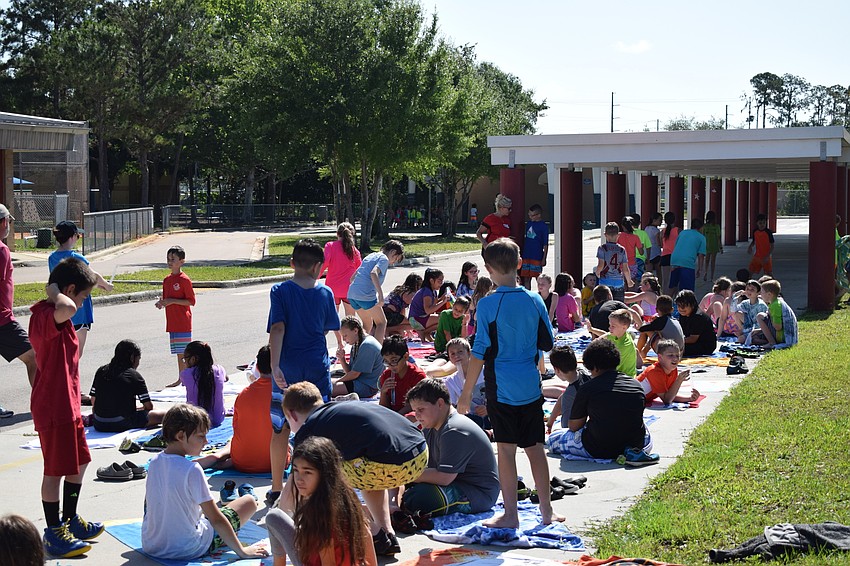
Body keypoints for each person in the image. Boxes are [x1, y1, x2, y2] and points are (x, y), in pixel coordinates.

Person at [457, 237, 563, 528]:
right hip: (530, 384)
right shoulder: (535, 299)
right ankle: (546, 511)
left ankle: (511, 515)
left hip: (500, 387)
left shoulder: (488, 304)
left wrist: (466, 395)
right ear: (519, 264)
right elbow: (548, 340)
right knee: (535, 449)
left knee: (505, 450)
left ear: (488, 269)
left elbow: (479, 352)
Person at [281, 382, 429, 556]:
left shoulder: (308, 430)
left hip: (386, 464)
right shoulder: (339, 407)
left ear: (291, 414)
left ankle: (375, 533)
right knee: (367, 468)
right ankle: (387, 533)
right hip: (419, 456)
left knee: (321, 480)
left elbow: (295, 487)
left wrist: (281, 521)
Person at [28, 257, 101, 557]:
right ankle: (53, 530)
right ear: (68, 290)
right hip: (53, 407)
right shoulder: (47, 314)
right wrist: (52, 289)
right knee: (55, 471)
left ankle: (70, 519)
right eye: (82, 295)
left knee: (80, 462)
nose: (81, 303)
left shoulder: (61, 314)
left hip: (69, 404)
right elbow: (68, 307)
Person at [266, 238, 340, 507]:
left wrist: (275, 366)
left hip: (287, 368)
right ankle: (318, 488)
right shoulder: (325, 293)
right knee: (318, 428)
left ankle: (277, 488)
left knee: (280, 428)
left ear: (292, 263)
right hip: (317, 368)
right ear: (318, 267)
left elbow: (278, 329)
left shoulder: (280, 291)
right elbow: (326, 328)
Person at [142, 404, 267, 561]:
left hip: (151, 545)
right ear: (180, 436)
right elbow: (215, 519)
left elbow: (149, 505)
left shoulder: (154, 462)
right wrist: (242, 551)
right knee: (249, 502)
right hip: (188, 548)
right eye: (201, 436)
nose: (206, 441)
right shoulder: (192, 469)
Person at [266, 436, 377, 566]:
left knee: (274, 517)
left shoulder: (322, 514)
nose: (299, 479)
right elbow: (368, 540)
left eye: (307, 472)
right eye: (296, 470)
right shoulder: (345, 498)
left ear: (324, 474)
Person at [546, 339, 655, 465]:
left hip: (599, 447)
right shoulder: (636, 385)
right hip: (636, 443)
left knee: (554, 439)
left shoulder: (588, 388)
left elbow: (574, 426)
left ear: (595, 367)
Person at [402, 378, 499, 516]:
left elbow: (444, 477)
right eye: (414, 411)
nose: (417, 415)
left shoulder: (454, 429)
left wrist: (406, 474)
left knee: (419, 498)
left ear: (440, 403)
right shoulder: (431, 426)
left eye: (421, 409)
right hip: (454, 482)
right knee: (399, 483)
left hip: (476, 492)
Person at [48, 220, 114, 360]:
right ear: (72, 237)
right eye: (78, 236)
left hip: (61, 308)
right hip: (79, 312)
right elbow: (93, 276)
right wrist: (107, 285)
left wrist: (96, 285)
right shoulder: (77, 258)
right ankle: (71, 379)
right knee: (76, 353)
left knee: (63, 351)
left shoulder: (52, 258)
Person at [0, 204, 37, 418]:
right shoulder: (2, 250)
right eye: (9, 222)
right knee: (34, 357)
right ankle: (43, 402)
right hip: (3, 320)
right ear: (4, 222)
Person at [90, 339, 165, 432]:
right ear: (132, 357)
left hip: (99, 423)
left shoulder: (101, 371)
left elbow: (93, 400)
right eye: (138, 358)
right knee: (164, 415)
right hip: (121, 423)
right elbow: (149, 406)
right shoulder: (134, 375)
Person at [347, 240, 405, 343]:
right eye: (395, 258)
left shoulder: (371, 256)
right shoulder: (384, 259)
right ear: (392, 252)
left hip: (352, 294)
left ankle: (359, 347)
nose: (394, 262)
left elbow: (352, 278)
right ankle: (378, 352)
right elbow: (373, 273)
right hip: (365, 295)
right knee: (382, 322)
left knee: (367, 323)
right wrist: (381, 296)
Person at [228, 344, 274, 474]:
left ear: (257, 367)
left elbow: (236, 427)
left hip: (240, 461)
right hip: (274, 462)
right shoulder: (283, 394)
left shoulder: (243, 394)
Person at [155, 246, 196, 388]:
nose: (170, 262)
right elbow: (166, 298)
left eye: (173, 259)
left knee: (185, 354)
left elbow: (191, 301)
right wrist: (162, 303)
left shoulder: (184, 280)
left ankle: (187, 379)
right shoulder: (167, 280)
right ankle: (182, 379)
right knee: (179, 354)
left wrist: (172, 301)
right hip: (172, 322)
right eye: (168, 259)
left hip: (182, 321)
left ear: (182, 261)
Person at [320, 222, 362, 346]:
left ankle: (340, 342)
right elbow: (360, 269)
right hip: (349, 289)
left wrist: (315, 276)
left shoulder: (330, 245)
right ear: (352, 235)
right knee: (351, 318)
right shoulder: (354, 251)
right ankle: (353, 342)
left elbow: (324, 262)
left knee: (333, 317)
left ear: (337, 234)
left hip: (332, 288)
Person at [545, 343, 592, 435]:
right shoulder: (583, 373)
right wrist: (550, 423)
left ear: (557, 370)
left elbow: (567, 428)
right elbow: (562, 398)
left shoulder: (570, 394)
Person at [332, 315, 384, 398]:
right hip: (358, 381)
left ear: (355, 330)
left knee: (328, 387)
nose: (344, 339)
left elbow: (354, 374)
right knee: (327, 379)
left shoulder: (367, 345)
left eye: (345, 336)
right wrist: (342, 359)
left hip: (367, 387)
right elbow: (350, 372)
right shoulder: (357, 343)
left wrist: (337, 382)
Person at [180, 341, 227, 428]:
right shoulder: (220, 370)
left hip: (195, 420)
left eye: (185, 359)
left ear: (193, 359)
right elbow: (225, 378)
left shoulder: (186, 374)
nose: (184, 362)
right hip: (218, 418)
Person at [637, 339, 700, 405]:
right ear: (660, 357)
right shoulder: (654, 371)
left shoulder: (673, 369)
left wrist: (690, 398)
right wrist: (678, 380)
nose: (675, 359)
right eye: (670, 355)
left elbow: (670, 394)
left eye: (677, 355)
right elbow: (667, 400)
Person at [379, 335, 427, 414]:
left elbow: (416, 406)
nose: (390, 365)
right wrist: (383, 392)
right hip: (394, 415)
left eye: (394, 360)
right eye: (386, 362)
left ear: (405, 356)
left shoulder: (418, 376)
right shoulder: (387, 375)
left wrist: (397, 416)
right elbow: (383, 408)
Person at [585, 309, 640, 377]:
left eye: (613, 326)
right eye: (610, 325)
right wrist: (592, 330)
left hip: (624, 378)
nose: (609, 328)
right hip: (617, 374)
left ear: (624, 327)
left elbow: (608, 366)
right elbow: (606, 335)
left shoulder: (623, 345)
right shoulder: (621, 333)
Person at [751, 279, 798, 348]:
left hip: (782, 336)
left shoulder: (775, 306)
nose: (760, 294)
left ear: (769, 294)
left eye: (762, 292)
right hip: (780, 334)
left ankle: (771, 343)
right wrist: (760, 330)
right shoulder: (776, 302)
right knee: (754, 338)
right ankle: (769, 342)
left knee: (760, 316)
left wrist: (770, 315)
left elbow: (778, 327)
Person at [595, 222, 633, 302]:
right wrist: (629, 281)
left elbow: (601, 265)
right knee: (618, 305)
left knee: (605, 304)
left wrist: (597, 273)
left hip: (605, 281)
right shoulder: (622, 249)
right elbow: (625, 269)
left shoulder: (602, 248)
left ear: (605, 235)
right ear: (618, 235)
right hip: (618, 281)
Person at [408, 268, 449, 340]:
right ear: (432, 281)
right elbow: (428, 310)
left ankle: (426, 333)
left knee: (443, 318)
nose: (441, 284)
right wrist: (443, 302)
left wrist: (442, 298)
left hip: (421, 318)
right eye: (439, 281)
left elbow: (433, 304)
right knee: (444, 319)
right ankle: (424, 332)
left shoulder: (433, 291)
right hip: (416, 319)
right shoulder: (427, 292)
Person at [669, 217, 706, 294]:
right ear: (701, 227)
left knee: (673, 286)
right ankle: (685, 304)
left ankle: (667, 302)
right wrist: (700, 269)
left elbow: (676, 245)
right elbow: (701, 255)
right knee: (687, 290)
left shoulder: (682, 232)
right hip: (687, 263)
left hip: (674, 260)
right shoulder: (701, 238)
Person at [675, 290, 717, 356]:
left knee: (674, 349)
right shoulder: (683, 315)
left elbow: (692, 339)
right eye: (679, 306)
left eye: (684, 306)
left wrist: (675, 341)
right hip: (693, 343)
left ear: (692, 305)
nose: (681, 308)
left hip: (705, 346)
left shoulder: (698, 317)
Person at [520, 204, 549, 289]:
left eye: (532, 215)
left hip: (537, 256)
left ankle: (541, 295)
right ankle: (528, 296)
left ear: (538, 215)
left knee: (538, 278)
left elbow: (545, 244)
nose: (530, 217)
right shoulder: (528, 224)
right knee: (526, 278)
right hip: (526, 255)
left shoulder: (543, 226)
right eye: (529, 215)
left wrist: (544, 258)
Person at [617, 216, 644, 287]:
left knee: (622, 286)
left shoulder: (618, 235)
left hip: (620, 264)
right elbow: (641, 252)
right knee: (631, 284)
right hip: (632, 264)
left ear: (622, 226)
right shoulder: (636, 237)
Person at [660, 211, 679, 294]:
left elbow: (660, 244)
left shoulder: (662, 232)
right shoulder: (678, 230)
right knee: (676, 280)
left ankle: (664, 297)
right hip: (675, 257)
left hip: (665, 257)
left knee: (665, 280)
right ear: (674, 220)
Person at [631, 213, 653, 282]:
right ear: (639, 223)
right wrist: (648, 258)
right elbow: (648, 247)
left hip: (629, 258)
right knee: (639, 277)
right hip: (640, 259)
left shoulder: (627, 233)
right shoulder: (643, 233)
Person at [703, 211, 722, 281]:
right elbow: (718, 237)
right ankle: (711, 276)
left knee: (707, 260)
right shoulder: (716, 226)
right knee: (713, 261)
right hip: (714, 245)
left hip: (707, 245)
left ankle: (705, 272)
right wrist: (720, 247)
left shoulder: (705, 226)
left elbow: (703, 236)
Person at [644, 212, 664, 276]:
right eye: (660, 220)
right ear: (654, 220)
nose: (661, 222)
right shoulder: (656, 231)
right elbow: (659, 243)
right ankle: (659, 284)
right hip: (656, 253)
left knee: (648, 273)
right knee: (659, 272)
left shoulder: (646, 228)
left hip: (647, 253)